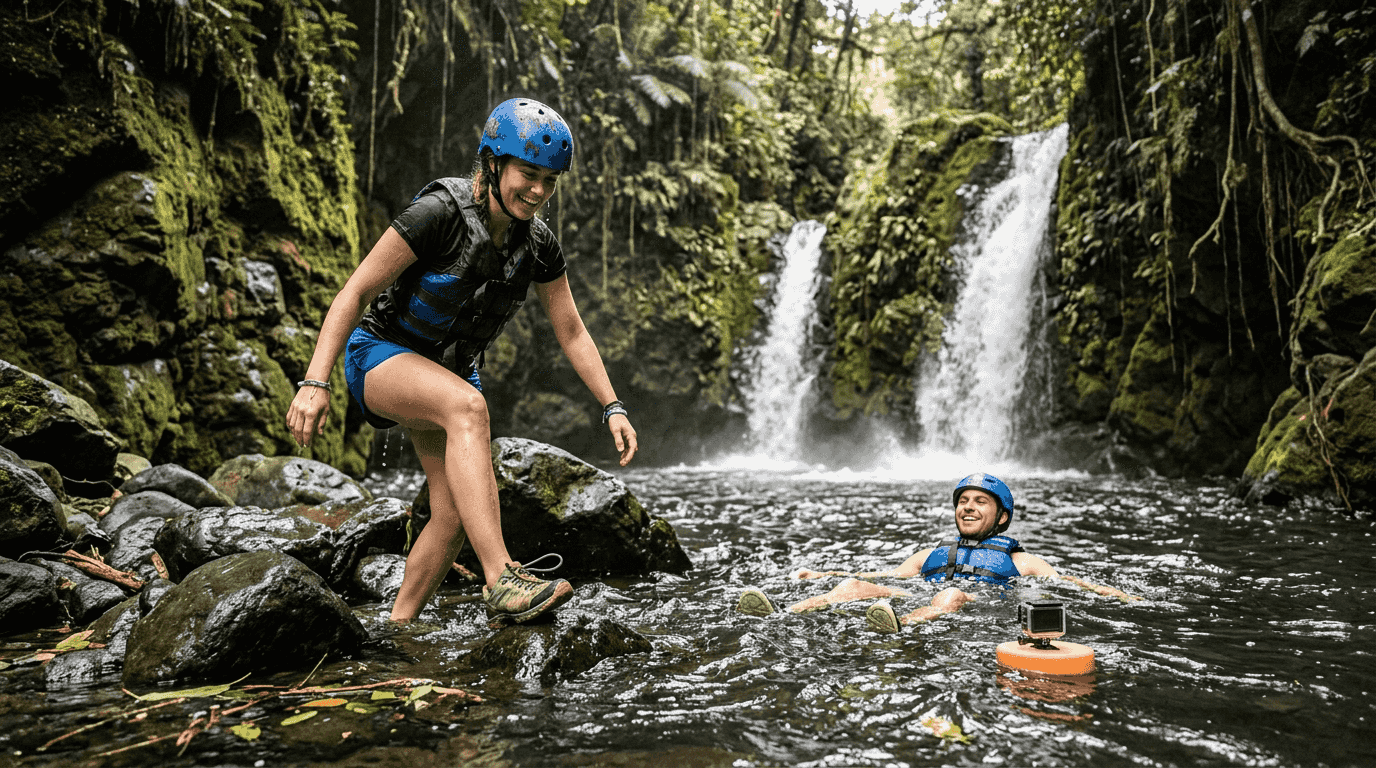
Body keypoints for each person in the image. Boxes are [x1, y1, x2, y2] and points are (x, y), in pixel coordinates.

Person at [285, 97, 638, 628]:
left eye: (550, 180)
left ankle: (396, 627)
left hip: (444, 373)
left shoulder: (539, 246)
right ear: (493, 163)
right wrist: (316, 380)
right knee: (469, 407)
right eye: (528, 174)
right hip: (378, 356)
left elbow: (571, 330)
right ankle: (501, 579)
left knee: (452, 511)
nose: (539, 191)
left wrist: (612, 405)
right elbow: (355, 292)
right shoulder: (440, 213)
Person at [736, 473, 1139, 633]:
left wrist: (1121, 595)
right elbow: (883, 577)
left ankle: (898, 626)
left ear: (1002, 518)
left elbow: (1067, 583)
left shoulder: (1019, 561)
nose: (968, 506)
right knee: (852, 584)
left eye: (981, 501)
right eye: (963, 500)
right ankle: (783, 613)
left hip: (973, 601)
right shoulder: (929, 554)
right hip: (914, 595)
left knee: (950, 595)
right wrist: (822, 575)